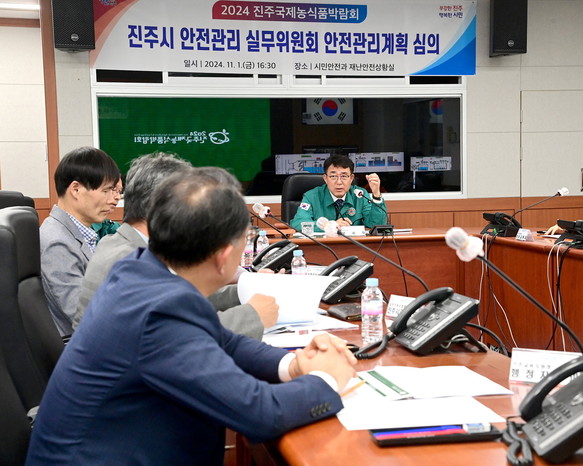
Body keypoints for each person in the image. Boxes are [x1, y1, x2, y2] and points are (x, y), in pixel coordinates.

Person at [26, 167, 357, 465]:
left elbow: (225, 341)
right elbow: (260, 413)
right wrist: (327, 379)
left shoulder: (142, 268)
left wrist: (293, 364)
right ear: (224, 256)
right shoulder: (160, 310)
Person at [75, 153, 277, 339]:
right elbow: (180, 332)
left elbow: (185, 300)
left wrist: (245, 291)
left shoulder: (133, 246)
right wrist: (253, 315)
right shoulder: (127, 261)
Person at [40, 146, 121, 337]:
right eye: (107, 190)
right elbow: (84, 316)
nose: (115, 199)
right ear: (76, 189)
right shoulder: (57, 242)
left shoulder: (78, 233)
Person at [289, 154, 388, 231]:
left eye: (344, 176)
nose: (339, 182)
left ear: (351, 178)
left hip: (354, 247)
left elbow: (377, 225)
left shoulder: (360, 195)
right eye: (333, 176)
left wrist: (376, 195)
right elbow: (298, 223)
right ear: (325, 178)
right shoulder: (311, 196)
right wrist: (329, 225)